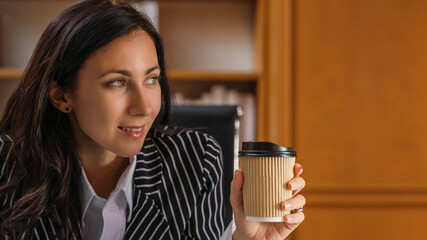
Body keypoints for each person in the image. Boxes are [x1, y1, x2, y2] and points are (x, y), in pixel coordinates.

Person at [0, 0, 306, 239]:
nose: (145, 107)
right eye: (117, 82)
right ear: (61, 95)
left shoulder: (194, 161)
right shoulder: (8, 167)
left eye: (151, 79)